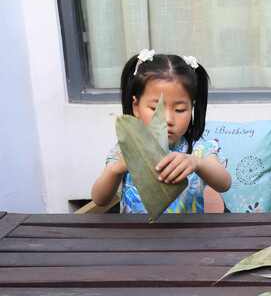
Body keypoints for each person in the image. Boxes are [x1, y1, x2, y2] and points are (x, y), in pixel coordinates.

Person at [91, 50, 231, 214]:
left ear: (191, 108)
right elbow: (99, 199)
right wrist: (115, 170)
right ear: (136, 106)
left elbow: (224, 183)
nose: (168, 119)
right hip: (137, 236)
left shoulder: (199, 149)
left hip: (187, 236)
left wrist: (197, 163)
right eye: (155, 108)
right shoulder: (126, 148)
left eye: (179, 109)